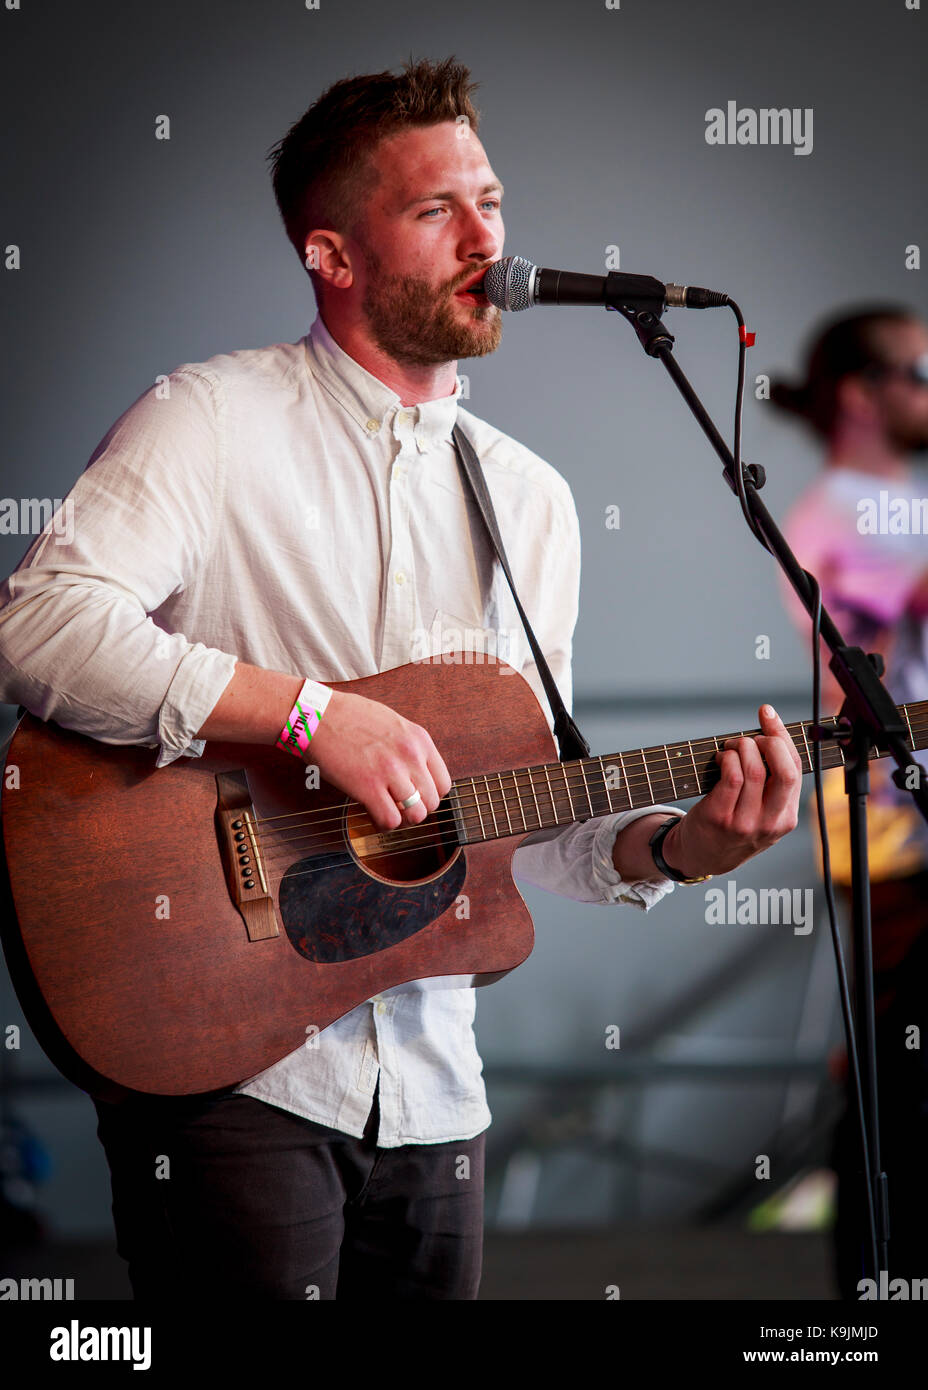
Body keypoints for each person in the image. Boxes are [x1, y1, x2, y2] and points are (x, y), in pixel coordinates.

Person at [0, 56, 801, 1300]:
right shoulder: (209, 419)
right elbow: (41, 625)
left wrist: (684, 849)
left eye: (491, 200)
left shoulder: (527, 498)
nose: (488, 236)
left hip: (435, 1094)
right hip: (234, 1065)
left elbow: (522, 834)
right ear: (332, 253)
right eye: (438, 210)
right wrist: (313, 715)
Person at [771, 305, 928, 1296]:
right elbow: (865, 678)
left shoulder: (904, 504)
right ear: (860, 394)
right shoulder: (829, 517)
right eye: (919, 370)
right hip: (888, 837)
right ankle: (869, 1302)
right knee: (894, 1089)